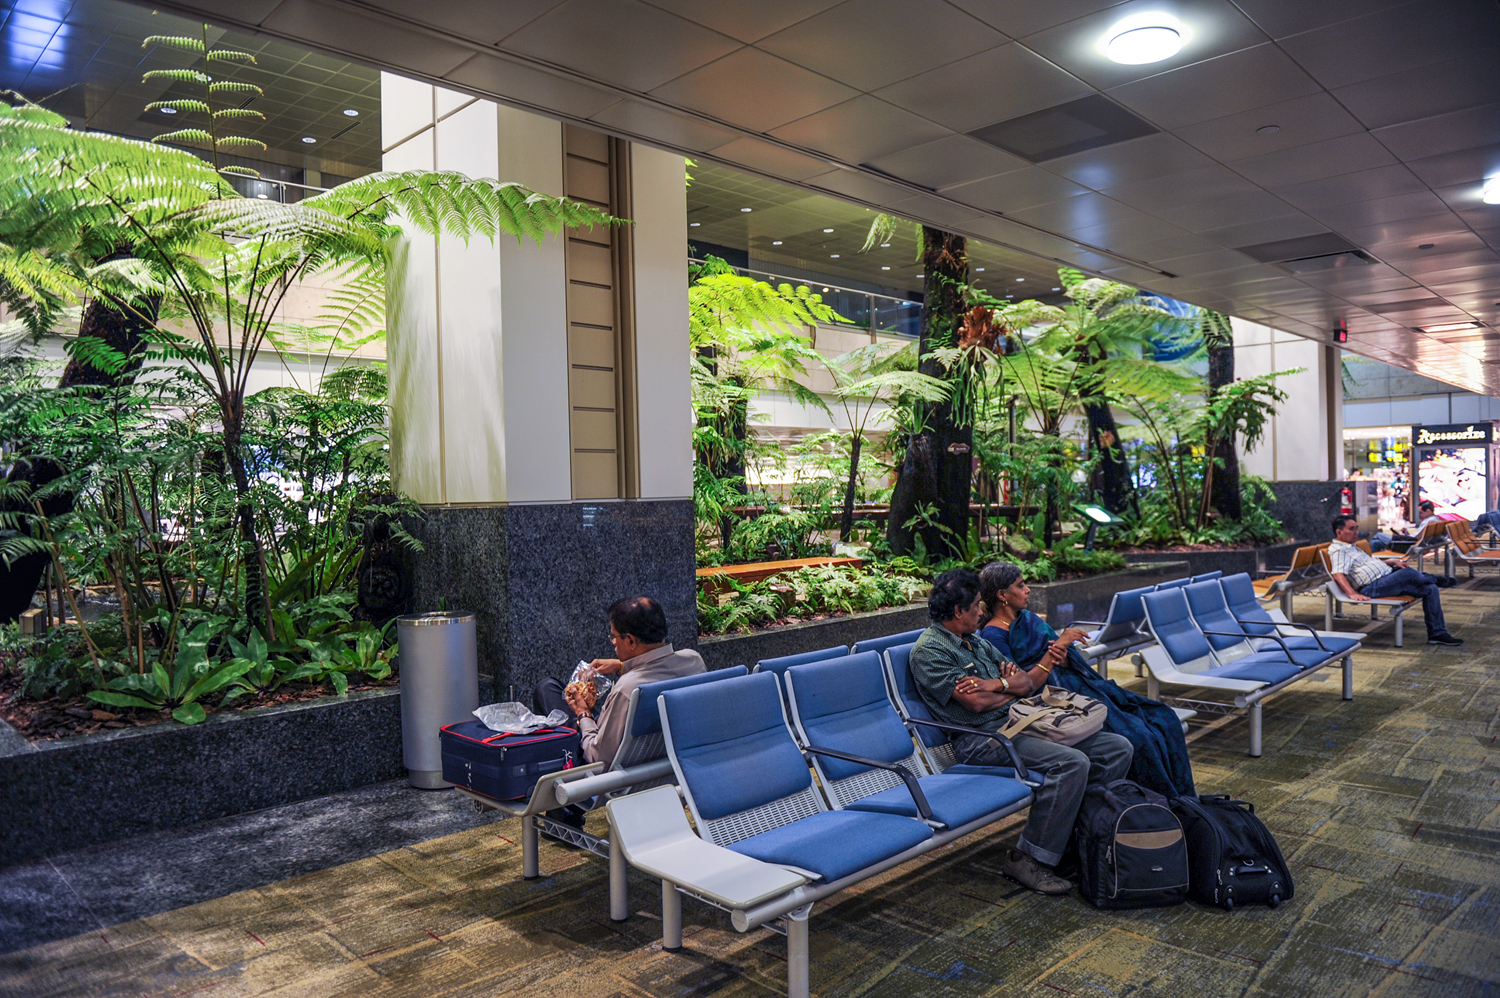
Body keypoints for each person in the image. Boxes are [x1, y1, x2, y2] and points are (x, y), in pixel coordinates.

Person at [908, 568, 1133, 896]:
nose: (982, 611)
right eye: (976, 605)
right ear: (958, 611)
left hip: (1020, 722)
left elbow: (1026, 683)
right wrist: (1008, 687)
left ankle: (1079, 840)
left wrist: (998, 684)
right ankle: (1029, 859)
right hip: (981, 739)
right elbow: (976, 704)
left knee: (1117, 748)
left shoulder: (976, 642)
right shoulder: (930, 651)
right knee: (1070, 763)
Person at [975, 561, 1195, 798]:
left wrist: (1063, 655)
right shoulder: (993, 635)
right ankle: (1153, 803)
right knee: (1137, 737)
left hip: (1079, 685)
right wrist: (1056, 649)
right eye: (1020, 585)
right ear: (1002, 595)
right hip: (1054, 702)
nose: (1028, 589)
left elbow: (1063, 658)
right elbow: (1025, 686)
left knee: (1163, 717)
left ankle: (1182, 801)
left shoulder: (1028, 618)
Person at [532, 596, 704, 834]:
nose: (613, 642)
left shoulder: (628, 689)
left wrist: (583, 714)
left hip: (620, 780)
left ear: (631, 640)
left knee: (547, 689)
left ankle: (565, 814)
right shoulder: (694, 662)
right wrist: (623, 666)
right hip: (673, 771)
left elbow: (598, 758)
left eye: (614, 636)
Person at [1328, 515, 1462, 646]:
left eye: (1356, 528)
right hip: (1373, 586)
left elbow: (1369, 563)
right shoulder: (1339, 550)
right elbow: (1337, 574)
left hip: (1387, 579)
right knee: (1407, 573)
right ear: (1339, 532)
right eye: (1351, 529)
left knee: (1430, 588)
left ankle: (1437, 634)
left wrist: (1390, 562)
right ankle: (1436, 579)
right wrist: (1352, 593)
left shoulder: (1352, 547)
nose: (1356, 532)